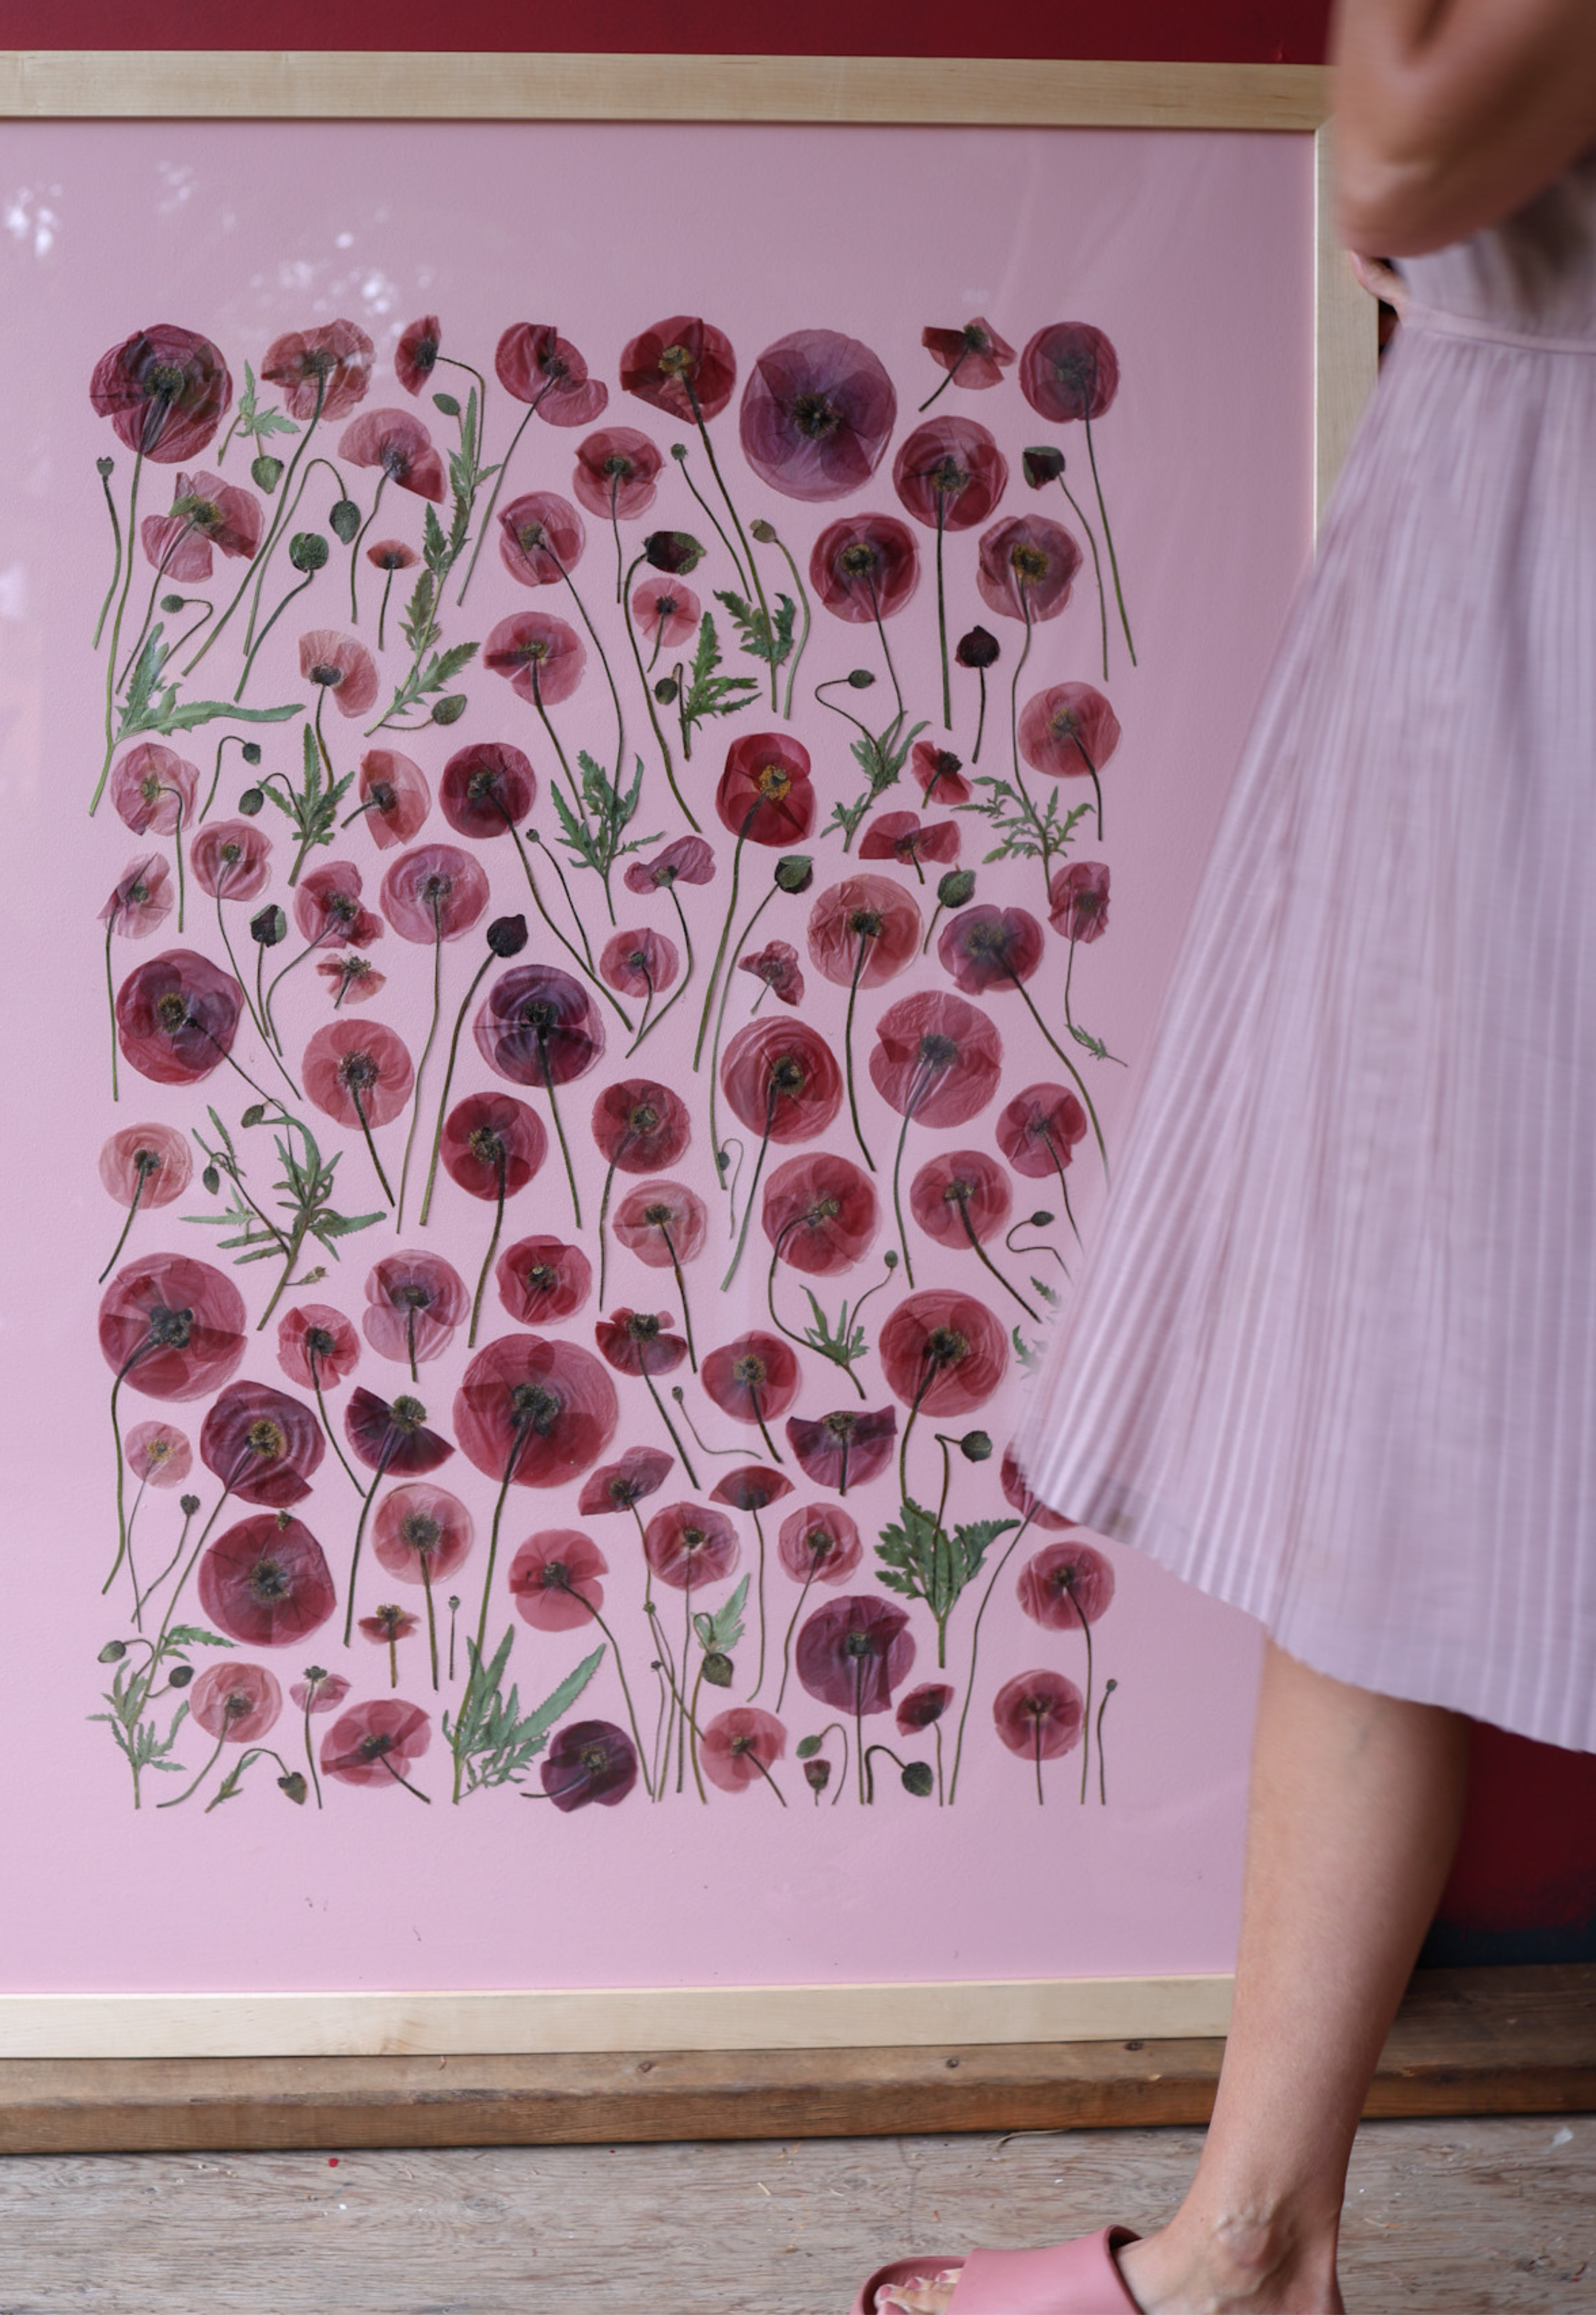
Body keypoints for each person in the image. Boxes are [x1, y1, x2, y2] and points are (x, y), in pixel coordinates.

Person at [855, 3, 1596, 2310]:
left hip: (1552, 563)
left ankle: (1249, 2245)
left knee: (1406, 1389)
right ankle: (1249, 2242)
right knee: (1384, 1404)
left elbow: (1403, 143)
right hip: (1498, 521)